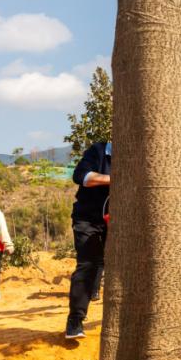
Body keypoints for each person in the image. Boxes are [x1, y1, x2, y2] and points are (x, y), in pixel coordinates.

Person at [65, 141, 110, 340]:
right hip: (87, 219)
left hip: (119, 220)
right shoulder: (98, 151)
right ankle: (75, 321)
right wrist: (114, 178)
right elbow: (81, 176)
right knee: (88, 264)